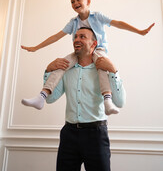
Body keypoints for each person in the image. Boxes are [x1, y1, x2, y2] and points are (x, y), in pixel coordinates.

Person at [21, 0, 154, 115]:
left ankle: (107, 100)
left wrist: (139, 31)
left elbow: (118, 23)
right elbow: (56, 36)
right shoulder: (73, 22)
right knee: (62, 64)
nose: (75, 3)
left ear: (88, 1)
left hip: (99, 49)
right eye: (72, 1)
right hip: (79, 51)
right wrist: (35, 48)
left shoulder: (97, 16)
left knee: (102, 66)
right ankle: (42, 96)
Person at [45, 27, 126, 171]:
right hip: (69, 134)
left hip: (96, 135)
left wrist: (114, 70)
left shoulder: (104, 69)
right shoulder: (66, 69)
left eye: (82, 37)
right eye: (75, 37)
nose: (77, 39)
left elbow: (120, 102)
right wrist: (48, 71)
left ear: (94, 43)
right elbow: (50, 99)